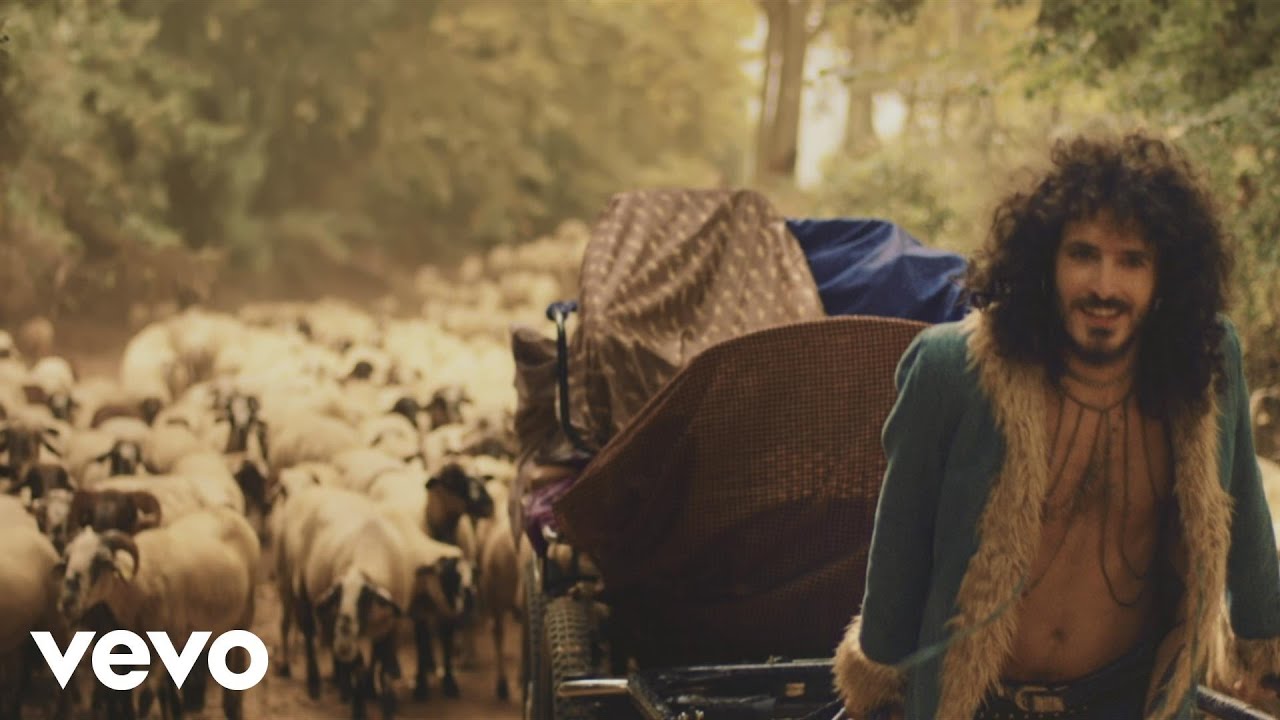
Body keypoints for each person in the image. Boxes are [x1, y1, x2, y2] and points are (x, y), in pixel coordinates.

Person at [833, 132, 1280, 720]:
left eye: (1132, 261)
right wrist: (884, 681)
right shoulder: (952, 371)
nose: (1104, 286)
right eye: (1083, 254)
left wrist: (1265, 647)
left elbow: (1243, 514)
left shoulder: (1206, 365)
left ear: (1166, 275)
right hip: (975, 704)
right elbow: (898, 556)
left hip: (1129, 698)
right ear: (1045, 260)